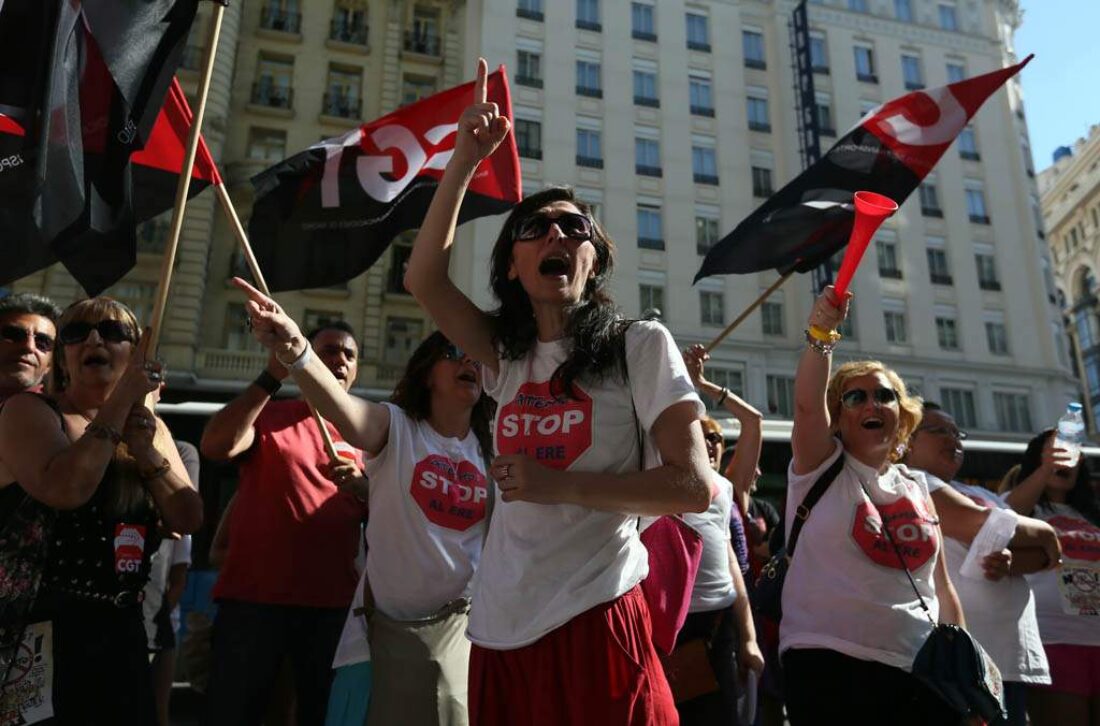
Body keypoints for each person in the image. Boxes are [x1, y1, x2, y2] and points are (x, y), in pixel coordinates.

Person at [402, 58, 712, 725]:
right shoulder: (504, 358)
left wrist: (554, 484)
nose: (558, 236)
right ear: (513, 267)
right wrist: (463, 160)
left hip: (597, 611)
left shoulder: (640, 346)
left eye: (576, 230)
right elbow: (423, 279)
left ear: (593, 262)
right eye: (535, 229)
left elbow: (692, 487)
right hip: (500, 626)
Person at [233, 280, 494, 726]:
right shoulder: (395, 428)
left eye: (476, 357)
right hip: (376, 644)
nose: (468, 361)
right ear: (428, 372)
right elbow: (342, 409)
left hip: (464, 644)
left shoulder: (494, 453)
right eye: (454, 352)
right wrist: (296, 349)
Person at [0, 297, 203, 724]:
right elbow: (66, 489)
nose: (95, 339)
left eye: (113, 333)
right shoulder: (29, 411)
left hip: (122, 630)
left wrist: (146, 451)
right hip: (37, 630)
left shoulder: (151, 427)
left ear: (134, 351)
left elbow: (187, 517)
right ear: (63, 356)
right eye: (77, 333)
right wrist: (123, 397)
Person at [782, 286, 963, 725]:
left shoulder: (917, 486)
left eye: (884, 396)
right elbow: (807, 406)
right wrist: (822, 331)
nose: (871, 403)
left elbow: (940, 588)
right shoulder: (818, 467)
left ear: (902, 415)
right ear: (839, 415)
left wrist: (962, 665)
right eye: (855, 396)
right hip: (829, 667)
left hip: (920, 672)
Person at [201, 320, 369, 726]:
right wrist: (272, 375)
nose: (339, 360)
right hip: (254, 605)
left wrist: (364, 489)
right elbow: (215, 446)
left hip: (331, 610)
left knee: (320, 715)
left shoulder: (368, 430)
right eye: (328, 350)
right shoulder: (270, 415)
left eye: (349, 354)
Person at [904, 402, 1062, 726]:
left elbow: (1043, 557)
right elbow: (977, 523)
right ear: (907, 440)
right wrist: (1044, 531)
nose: (953, 439)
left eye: (956, 432)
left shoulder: (976, 491)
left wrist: (1013, 558)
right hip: (959, 660)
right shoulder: (912, 481)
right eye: (938, 430)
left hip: (1006, 658)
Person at [1002, 429, 1100, 726]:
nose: (1064, 457)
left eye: (1072, 451)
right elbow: (1001, 517)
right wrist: (1046, 470)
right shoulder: (1020, 507)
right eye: (1054, 450)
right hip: (1052, 640)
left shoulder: (1093, 514)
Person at [0, 292, 61, 402]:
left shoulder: (59, 415)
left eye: (43, 342)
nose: (29, 346)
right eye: (14, 334)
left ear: (50, 364)